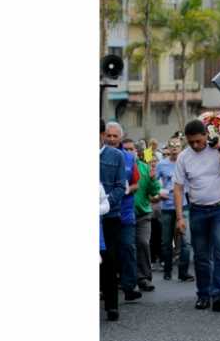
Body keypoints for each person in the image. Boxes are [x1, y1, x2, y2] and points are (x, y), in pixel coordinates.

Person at [173, 119, 220, 311]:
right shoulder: (184, 157)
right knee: (201, 256)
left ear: (206, 136)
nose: (195, 145)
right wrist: (179, 217)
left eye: (199, 141)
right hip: (197, 210)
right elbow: (178, 188)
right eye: (191, 142)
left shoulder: (219, 150)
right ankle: (203, 294)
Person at [104, 123, 143, 302]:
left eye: (115, 136)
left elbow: (136, 184)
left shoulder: (129, 158)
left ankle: (130, 286)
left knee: (127, 247)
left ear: (121, 137)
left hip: (125, 212)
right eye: (109, 135)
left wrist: (125, 190)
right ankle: (105, 287)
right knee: (106, 252)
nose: (112, 139)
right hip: (104, 213)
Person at [99, 119, 126, 321]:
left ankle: (112, 306)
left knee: (109, 260)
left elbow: (120, 186)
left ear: (101, 135)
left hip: (109, 215)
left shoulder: (116, 156)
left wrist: (105, 204)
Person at [157, 137, 194, 282]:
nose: (174, 148)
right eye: (171, 145)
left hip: (184, 205)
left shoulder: (186, 162)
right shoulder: (161, 164)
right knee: (166, 242)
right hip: (167, 206)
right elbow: (154, 182)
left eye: (177, 146)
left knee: (186, 241)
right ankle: (167, 270)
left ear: (181, 148)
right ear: (168, 148)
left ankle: (183, 272)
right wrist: (159, 192)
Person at [133, 140, 161, 292]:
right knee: (127, 247)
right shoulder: (121, 166)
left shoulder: (145, 167)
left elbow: (155, 191)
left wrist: (152, 179)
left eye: (132, 150)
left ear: (138, 153)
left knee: (143, 243)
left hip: (143, 214)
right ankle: (128, 278)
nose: (130, 152)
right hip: (123, 215)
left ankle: (144, 278)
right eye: (127, 149)